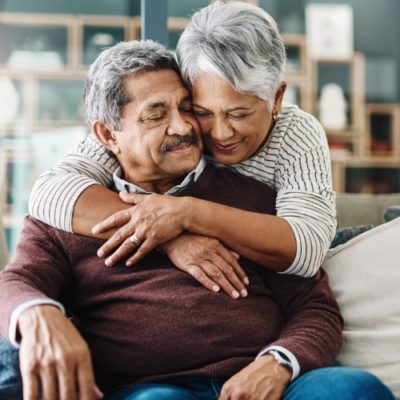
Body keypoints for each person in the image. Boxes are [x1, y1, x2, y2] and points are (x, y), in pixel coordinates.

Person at [0, 40, 394, 400]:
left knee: (351, 389)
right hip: (152, 389)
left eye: (186, 108)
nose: (183, 126)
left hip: (269, 383)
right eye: (156, 115)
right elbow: (16, 281)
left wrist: (277, 363)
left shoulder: (251, 198)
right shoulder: (68, 213)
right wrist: (37, 314)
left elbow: (316, 308)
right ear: (107, 135)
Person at [28, 1, 336, 295]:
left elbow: (307, 249)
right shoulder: (176, 127)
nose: (219, 132)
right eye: (201, 111)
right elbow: (49, 192)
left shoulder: (296, 134)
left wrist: (187, 214)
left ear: (277, 98)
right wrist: (173, 236)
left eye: (238, 114)